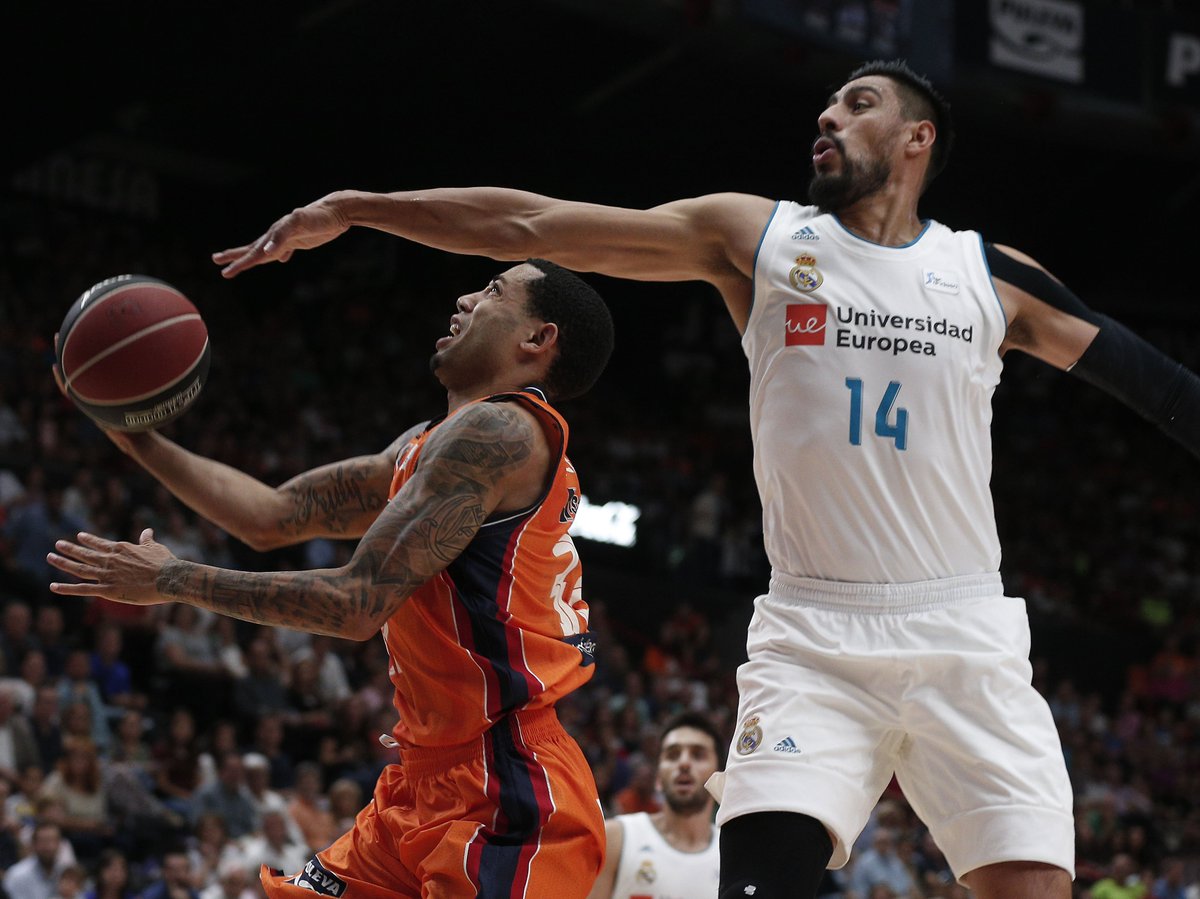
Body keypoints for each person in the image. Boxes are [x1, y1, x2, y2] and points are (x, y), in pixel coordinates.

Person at [207, 59, 1200, 899]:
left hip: (964, 630)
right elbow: (532, 223)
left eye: (858, 104)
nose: (828, 116)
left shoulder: (989, 275)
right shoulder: (760, 237)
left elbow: (1159, 387)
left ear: (918, 139)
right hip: (814, 638)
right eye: (827, 105)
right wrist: (356, 208)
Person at [48, 258, 615, 898]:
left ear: (537, 338)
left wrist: (173, 579)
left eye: (492, 290)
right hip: (424, 781)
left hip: (509, 792)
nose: (464, 298)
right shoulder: (431, 443)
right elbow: (271, 516)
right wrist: (131, 434)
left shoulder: (501, 430)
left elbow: (354, 605)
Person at [586, 711, 722, 899]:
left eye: (698, 755)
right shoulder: (616, 838)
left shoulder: (733, 854)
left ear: (719, 777)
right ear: (658, 778)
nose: (684, 763)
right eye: (673, 755)